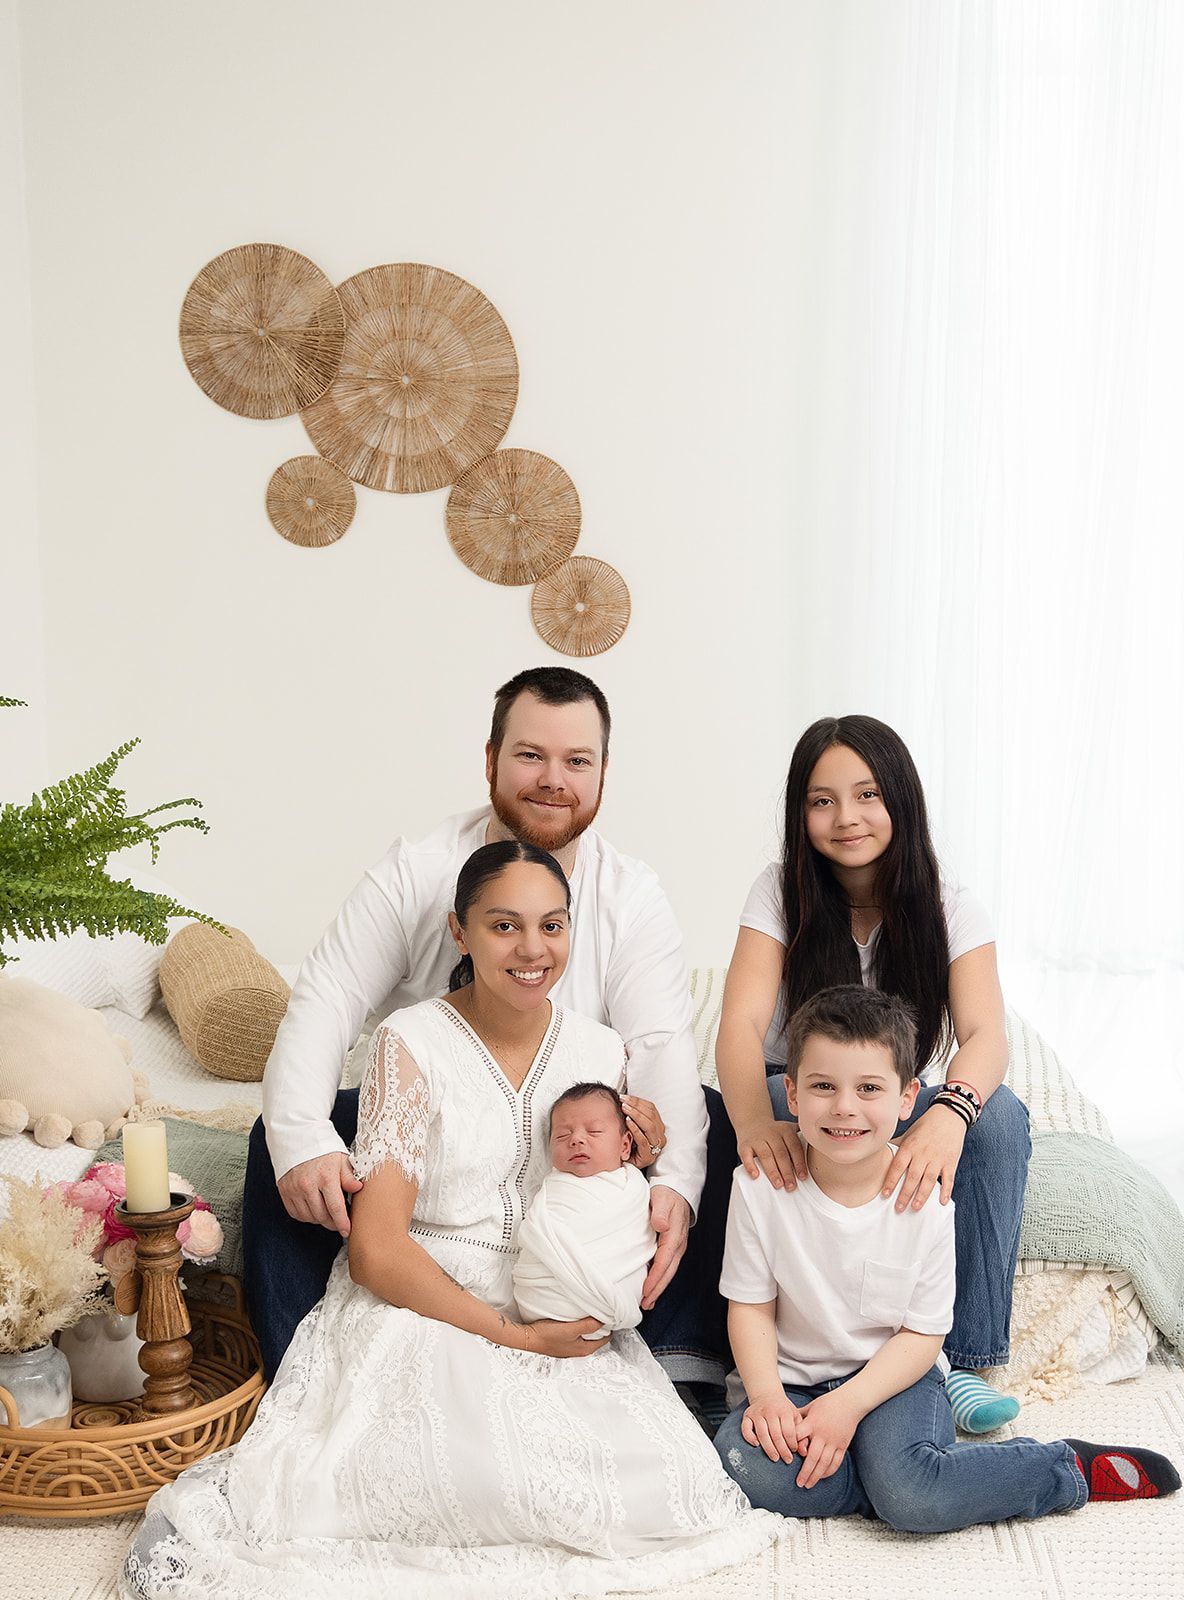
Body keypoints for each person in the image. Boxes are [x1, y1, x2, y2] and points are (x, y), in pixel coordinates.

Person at [123, 845, 780, 1600]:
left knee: (660, 1492)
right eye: (505, 926)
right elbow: (375, 1251)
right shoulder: (410, 1043)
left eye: (553, 925)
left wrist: (644, 1157)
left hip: (550, 1292)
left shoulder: (599, 1051)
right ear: (460, 932)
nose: (533, 950)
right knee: (447, 1476)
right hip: (421, 1298)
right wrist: (513, 1337)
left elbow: (603, 1198)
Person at [245, 666, 710, 1381]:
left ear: (602, 774)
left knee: (704, 1122)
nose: (553, 778)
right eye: (531, 755)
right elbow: (329, 995)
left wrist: (671, 1177)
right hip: (433, 1131)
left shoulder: (631, 895)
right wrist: (301, 1139)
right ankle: (293, 1378)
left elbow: (660, 1045)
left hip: (560, 1142)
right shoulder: (416, 870)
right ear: (491, 760)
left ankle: (674, 1360)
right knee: (278, 1135)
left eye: (577, 761)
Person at [713, 986, 1180, 1528]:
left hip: (893, 1380)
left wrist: (848, 1408)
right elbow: (750, 1306)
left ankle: (1062, 1467)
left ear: (908, 1098)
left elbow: (921, 1337)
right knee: (741, 1464)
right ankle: (895, 1478)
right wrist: (767, 1397)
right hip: (791, 1380)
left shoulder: (926, 1197)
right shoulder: (758, 1187)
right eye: (823, 1086)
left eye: (868, 1088)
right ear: (791, 1095)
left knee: (913, 1497)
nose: (844, 1107)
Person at [714, 715, 1031, 1433]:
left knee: (1000, 1117)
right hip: (804, 1093)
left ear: (900, 800)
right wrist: (759, 1124)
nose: (846, 818)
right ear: (801, 815)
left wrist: (950, 1112)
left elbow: (986, 1034)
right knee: (751, 1099)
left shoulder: (951, 903)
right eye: (822, 801)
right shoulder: (778, 891)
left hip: (898, 1099)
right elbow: (737, 1025)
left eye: (866, 795)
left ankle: (965, 1367)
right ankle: (749, 1366)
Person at [513, 1082, 656, 1336]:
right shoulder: (554, 1190)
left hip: (609, 1305)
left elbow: (638, 1239)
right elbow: (537, 1232)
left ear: (625, 1146)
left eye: (594, 1131)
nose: (577, 1139)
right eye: (562, 1135)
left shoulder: (633, 1190)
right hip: (541, 1303)